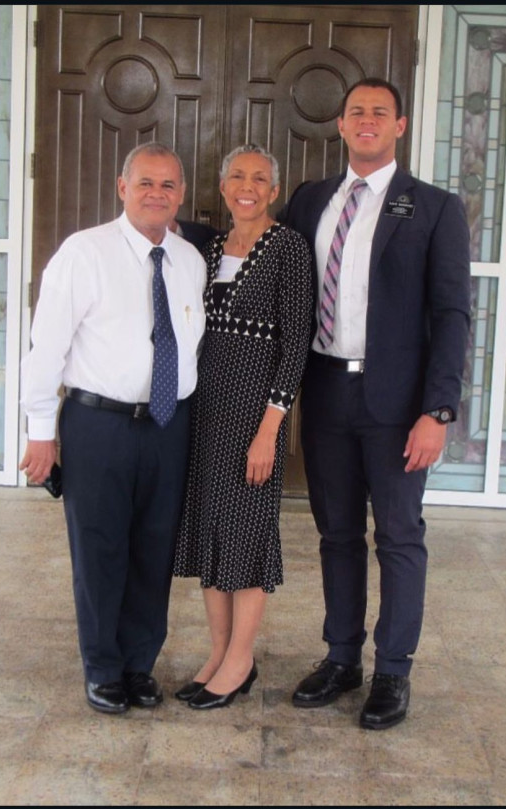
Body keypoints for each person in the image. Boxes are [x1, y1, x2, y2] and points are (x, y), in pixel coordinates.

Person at [278, 78, 471, 730]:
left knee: (398, 535)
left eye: (378, 113)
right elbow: (270, 262)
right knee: (335, 532)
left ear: (400, 126)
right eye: (356, 111)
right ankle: (341, 657)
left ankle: (393, 669)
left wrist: (438, 410)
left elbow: (451, 314)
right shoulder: (309, 201)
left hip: (398, 402)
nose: (366, 121)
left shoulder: (434, 208)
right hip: (327, 388)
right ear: (340, 125)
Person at [19, 142, 207, 715]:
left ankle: (138, 664)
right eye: (145, 183)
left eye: (168, 185)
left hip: (168, 425)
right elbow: (46, 345)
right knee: (100, 549)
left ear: (180, 194)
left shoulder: (189, 261)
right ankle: (102, 666)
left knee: (155, 549)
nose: (157, 194)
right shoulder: (85, 253)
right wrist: (39, 430)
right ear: (121, 187)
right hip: (98, 424)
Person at [173, 143, 313, 710]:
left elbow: (296, 342)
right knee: (211, 530)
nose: (247, 186)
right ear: (224, 186)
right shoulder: (208, 249)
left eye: (259, 178)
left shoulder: (288, 248)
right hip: (205, 412)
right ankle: (218, 652)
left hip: (255, 417)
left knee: (247, 536)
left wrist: (269, 429)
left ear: (274, 191)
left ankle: (242, 661)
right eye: (237, 176)